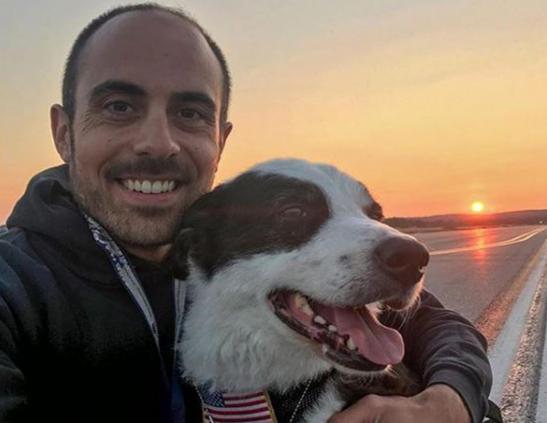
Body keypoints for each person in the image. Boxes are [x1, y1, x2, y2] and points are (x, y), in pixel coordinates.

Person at [0, 3, 492, 422]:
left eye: (190, 112)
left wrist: (449, 403)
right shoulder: (15, 289)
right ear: (63, 131)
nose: (158, 143)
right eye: (119, 106)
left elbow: (438, 326)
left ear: (221, 140)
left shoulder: (223, 237)